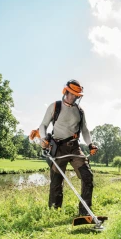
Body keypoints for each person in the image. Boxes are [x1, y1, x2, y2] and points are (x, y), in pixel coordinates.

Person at [39, 79, 98, 216]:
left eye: (76, 95)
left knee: (87, 176)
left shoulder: (80, 111)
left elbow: (84, 130)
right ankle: (54, 212)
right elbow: (43, 125)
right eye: (71, 94)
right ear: (65, 91)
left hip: (75, 148)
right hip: (58, 147)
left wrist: (90, 145)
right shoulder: (55, 106)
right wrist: (43, 140)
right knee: (56, 182)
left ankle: (85, 212)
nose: (74, 97)